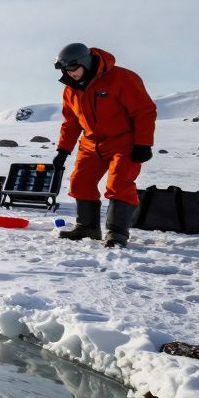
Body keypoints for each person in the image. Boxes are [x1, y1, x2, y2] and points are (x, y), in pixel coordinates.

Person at [51, 43, 156, 248]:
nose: (69, 74)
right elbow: (71, 122)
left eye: (73, 69)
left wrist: (143, 143)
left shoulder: (123, 79)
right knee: (80, 181)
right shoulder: (70, 90)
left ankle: (117, 234)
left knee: (119, 184)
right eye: (65, 70)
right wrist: (63, 150)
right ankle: (87, 227)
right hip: (90, 144)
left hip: (123, 142)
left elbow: (144, 112)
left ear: (86, 63)